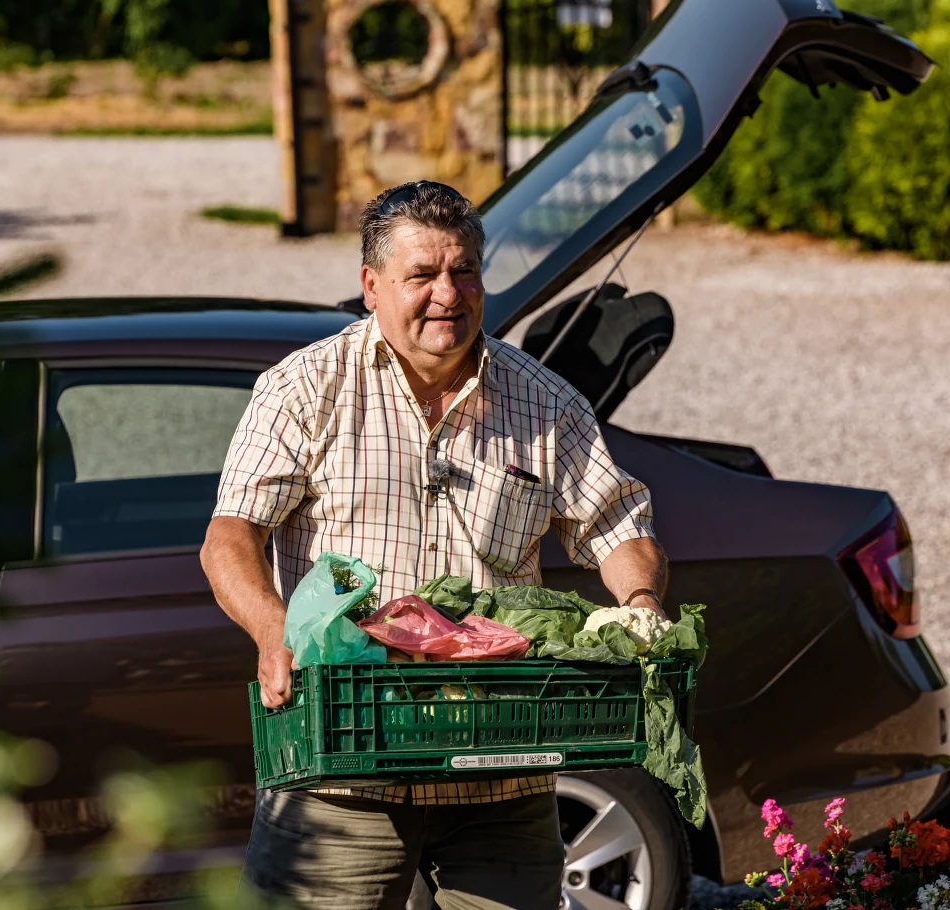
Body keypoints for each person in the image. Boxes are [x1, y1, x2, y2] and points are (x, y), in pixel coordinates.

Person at [200, 180, 668, 910]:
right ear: (371, 286)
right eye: (421, 275)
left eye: (464, 271)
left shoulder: (544, 403)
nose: (447, 293)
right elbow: (231, 535)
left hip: (502, 774)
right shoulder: (306, 388)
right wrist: (271, 632)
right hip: (343, 770)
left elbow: (617, 528)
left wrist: (638, 603)